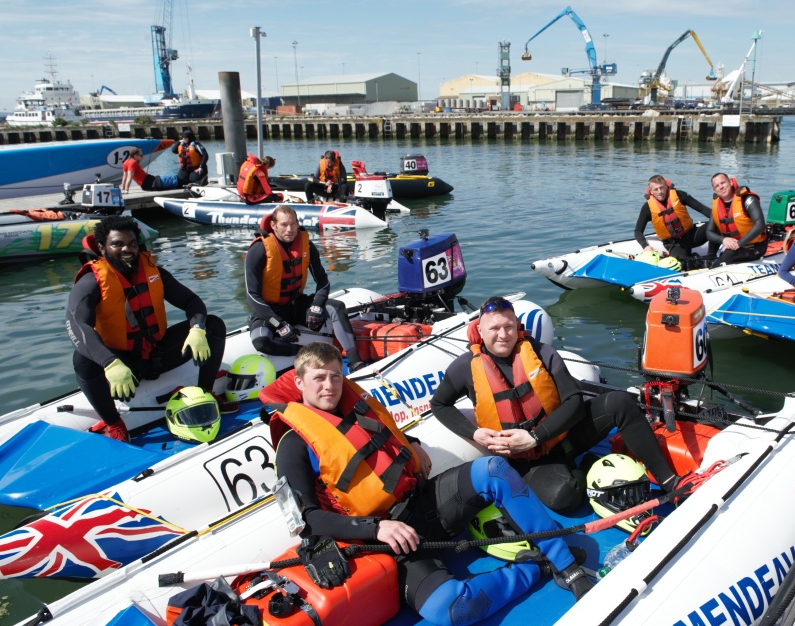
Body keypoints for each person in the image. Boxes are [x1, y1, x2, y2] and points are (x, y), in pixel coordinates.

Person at [272, 343, 594, 625]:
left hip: (424, 503)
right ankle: (535, 568)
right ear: (300, 382)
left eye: (335, 376)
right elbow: (306, 520)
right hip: (391, 541)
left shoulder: (354, 407)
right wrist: (375, 529)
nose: (329, 385)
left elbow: (380, 443)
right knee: (453, 608)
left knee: (492, 468)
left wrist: (412, 443)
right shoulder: (293, 444)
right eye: (319, 378)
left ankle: (565, 565)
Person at [429, 296, 678, 514]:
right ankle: (588, 465)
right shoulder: (464, 368)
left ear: (517, 326)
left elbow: (575, 402)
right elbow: (439, 404)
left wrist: (535, 437)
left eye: (508, 326)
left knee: (619, 401)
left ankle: (670, 483)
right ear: (480, 331)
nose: (503, 335)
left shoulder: (542, 353)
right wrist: (475, 434)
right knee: (565, 499)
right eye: (494, 328)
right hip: (528, 460)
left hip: (563, 435)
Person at [65, 215, 227, 442]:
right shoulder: (91, 283)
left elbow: (192, 302)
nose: (127, 249)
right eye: (117, 244)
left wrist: (197, 329)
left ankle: (206, 392)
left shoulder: (155, 272)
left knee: (213, 325)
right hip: (124, 365)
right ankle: (114, 423)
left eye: (132, 243)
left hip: (158, 353)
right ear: (102, 248)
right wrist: (110, 362)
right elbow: (76, 325)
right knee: (82, 360)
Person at [244, 205, 363, 368]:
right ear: (273, 225)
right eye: (284, 225)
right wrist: (279, 324)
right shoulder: (258, 250)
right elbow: (252, 296)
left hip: (295, 304)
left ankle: (355, 361)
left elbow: (323, 281)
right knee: (261, 342)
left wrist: (316, 306)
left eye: (293, 224)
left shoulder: (306, 244)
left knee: (336, 307)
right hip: (269, 311)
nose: (290, 229)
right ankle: (306, 352)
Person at [634, 174, 712, 262]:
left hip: (692, 235)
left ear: (666, 187)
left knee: (715, 222)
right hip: (674, 243)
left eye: (661, 187)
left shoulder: (679, 195)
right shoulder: (647, 208)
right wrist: (645, 246)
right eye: (656, 189)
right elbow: (638, 231)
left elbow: (702, 209)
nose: (660, 191)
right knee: (682, 264)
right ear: (651, 191)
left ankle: (712, 256)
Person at [705, 172, 768, 266]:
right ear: (714, 190)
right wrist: (724, 240)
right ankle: (710, 260)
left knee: (728, 253)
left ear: (730, 182)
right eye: (717, 186)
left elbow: (760, 225)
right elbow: (709, 232)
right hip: (733, 244)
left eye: (723, 183)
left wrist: (738, 244)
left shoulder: (746, 199)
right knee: (715, 233)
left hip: (754, 246)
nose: (721, 187)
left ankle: (715, 267)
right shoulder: (717, 205)